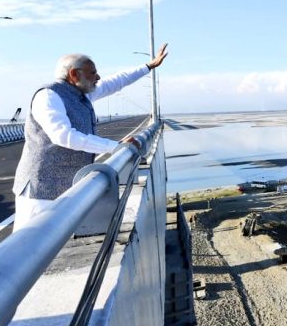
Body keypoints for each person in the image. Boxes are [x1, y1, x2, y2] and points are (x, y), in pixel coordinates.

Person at [12, 44, 169, 231]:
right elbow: (63, 136)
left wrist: (149, 66)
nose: (98, 77)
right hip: (40, 190)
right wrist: (115, 147)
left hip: (66, 187)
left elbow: (116, 81)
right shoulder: (49, 96)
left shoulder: (80, 94)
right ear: (74, 74)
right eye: (93, 73)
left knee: (56, 246)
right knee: (30, 245)